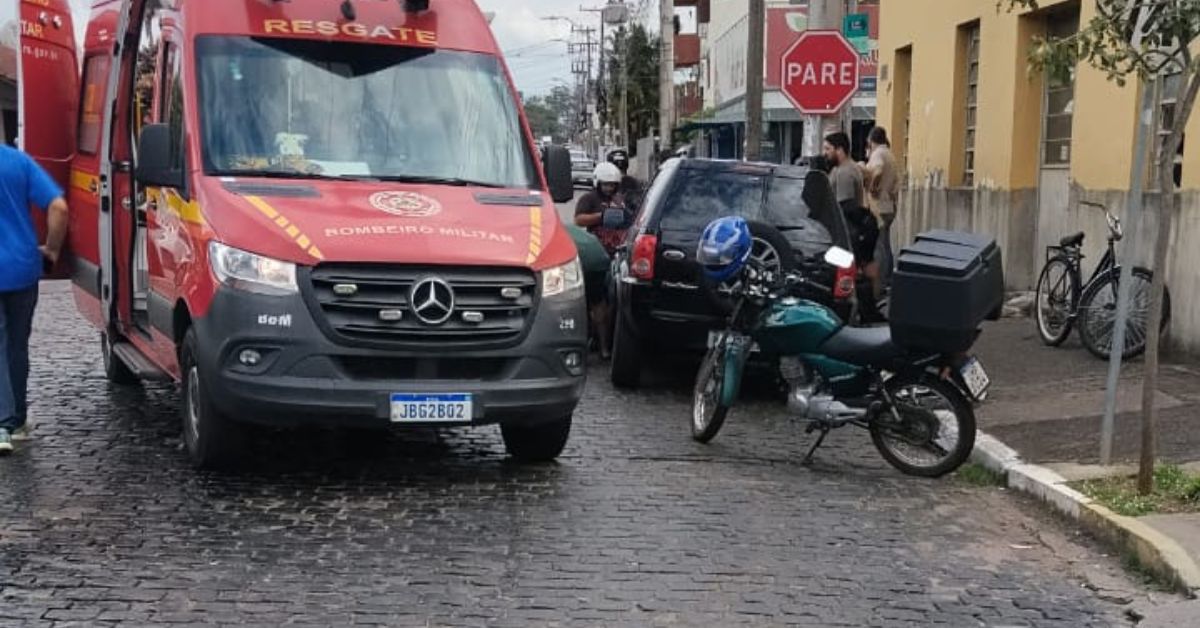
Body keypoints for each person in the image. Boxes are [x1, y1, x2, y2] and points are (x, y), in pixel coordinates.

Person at [0, 146, 69, 455]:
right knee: (16, 344)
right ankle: (17, 421)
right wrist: (52, 249)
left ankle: (2, 424)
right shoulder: (18, 162)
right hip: (22, 266)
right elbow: (58, 207)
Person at [574, 162, 630, 359]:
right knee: (596, 301)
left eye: (612, 185)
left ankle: (608, 343)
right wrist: (602, 216)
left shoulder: (622, 199)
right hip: (597, 255)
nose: (609, 188)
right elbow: (579, 220)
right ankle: (600, 344)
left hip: (620, 253)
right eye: (606, 185)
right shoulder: (590, 199)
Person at [823, 132, 878, 272]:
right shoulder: (846, 168)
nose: (825, 153)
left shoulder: (845, 173)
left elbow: (843, 206)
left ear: (839, 150)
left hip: (849, 229)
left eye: (828, 149)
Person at [858, 126, 901, 298]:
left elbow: (878, 170)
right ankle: (889, 278)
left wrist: (873, 186)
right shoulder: (890, 154)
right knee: (886, 243)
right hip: (889, 205)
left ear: (871, 140)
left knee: (879, 246)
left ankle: (881, 282)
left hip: (879, 206)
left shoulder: (878, 154)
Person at [565, 223, 614, 359]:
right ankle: (604, 349)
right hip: (599, 258)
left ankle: (578, 348)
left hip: (582, 260)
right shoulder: (568, 229)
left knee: (573, 305)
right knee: (598, 304)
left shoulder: (550, 233)